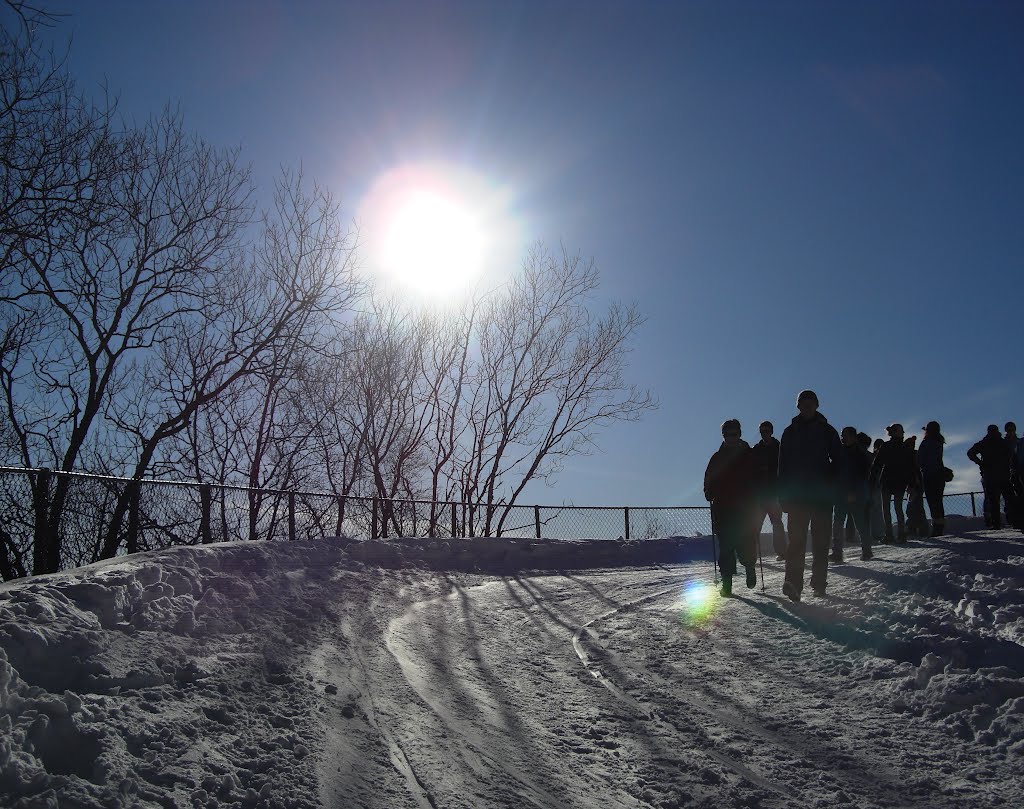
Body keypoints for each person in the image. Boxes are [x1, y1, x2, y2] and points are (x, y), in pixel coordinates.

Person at [777, 390, 843, 601]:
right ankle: (793, 583)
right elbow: (783, 466)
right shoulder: (789, 432)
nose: (806, 407)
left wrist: (831, 481)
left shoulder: (827, 431)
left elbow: (839, 461)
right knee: (796, 541)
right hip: (797, 497)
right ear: (798, 407)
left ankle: (819, 583)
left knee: (821, 542)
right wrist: (783, 495)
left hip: (822, 496)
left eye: (810, 403)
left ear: (816, 405)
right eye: (803, 404)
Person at [704, 419, 758, 597]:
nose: (730, 437)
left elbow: (758, 477)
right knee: (726, 547)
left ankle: (749, 566)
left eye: (733, 434)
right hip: (723, 508)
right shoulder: (717, 457)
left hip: (744, 508)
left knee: (745, 543)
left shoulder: (748, 455)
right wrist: (709, 492)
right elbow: (709, 477)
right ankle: (726, 582)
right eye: (727, 434)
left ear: (739, 434)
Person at [869, 423, 917, 543]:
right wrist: (911, 484)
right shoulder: (906, 448)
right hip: (900, 482)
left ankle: (889, 535)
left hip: (886, 481)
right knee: (898, 508)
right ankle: (901, 534)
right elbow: (912, 467)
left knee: (887, 509)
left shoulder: (886, 446)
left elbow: (877, 464)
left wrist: (872, 480)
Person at [833, 426, 874, 561]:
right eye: (842, 435)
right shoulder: (841, 452)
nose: (842, 437)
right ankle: (837, 552)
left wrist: (853, 491)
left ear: (853, 436)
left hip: (855, 494)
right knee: (838, 523)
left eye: (845, 435)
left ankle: (866, 550)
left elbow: (862, 474)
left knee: (859, 523)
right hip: (842, 493)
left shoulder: (859, 453)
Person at [751, 420, 787, 561]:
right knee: (755, 525)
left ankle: (782, 552)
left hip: (773, 493)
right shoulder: (756, 449)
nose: (764, 433)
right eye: (762, 431)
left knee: (777, 523)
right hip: (760, 494)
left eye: (766, 431)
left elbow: (784, 468)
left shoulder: (779, 448)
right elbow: (751, 470)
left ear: (771, 431)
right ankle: (752, 554)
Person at [967, 425, 1012, 529]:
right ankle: (1012, 520)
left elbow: (970, 453)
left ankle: (995, 523)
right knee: (1008, 498)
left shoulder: (985, 442)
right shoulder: (1002, 442)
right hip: (1003, 474)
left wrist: (980, 463)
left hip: (989, 475)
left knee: (993, 500)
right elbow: (1011, 454)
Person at [918, 421, 946, 537]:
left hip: (929, 475)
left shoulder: (926, 443)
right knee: (939, 501)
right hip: (939, 474)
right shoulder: (939, 441)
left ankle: (936, 527)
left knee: (932, 501)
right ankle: (939, 526)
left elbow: (920, 459)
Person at [904, 435, 929, 538]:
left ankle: (915, 529)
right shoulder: (915, 455)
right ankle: (918, 529)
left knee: (913, 508)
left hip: (914, 484)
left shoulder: (910, 456)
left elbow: (912, 472)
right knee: (916, 507)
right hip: (915, 484)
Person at [1004, 423, 1024, 530]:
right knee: (1012, 497)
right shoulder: (1004, 443)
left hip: (1017, 471)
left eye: (1012, 430)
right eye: (1009, 430)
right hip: (1010, 472)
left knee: (1018, 495)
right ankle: (1013, 519)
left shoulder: (1019, 442)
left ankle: (1017, 518)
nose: (1010, 432)